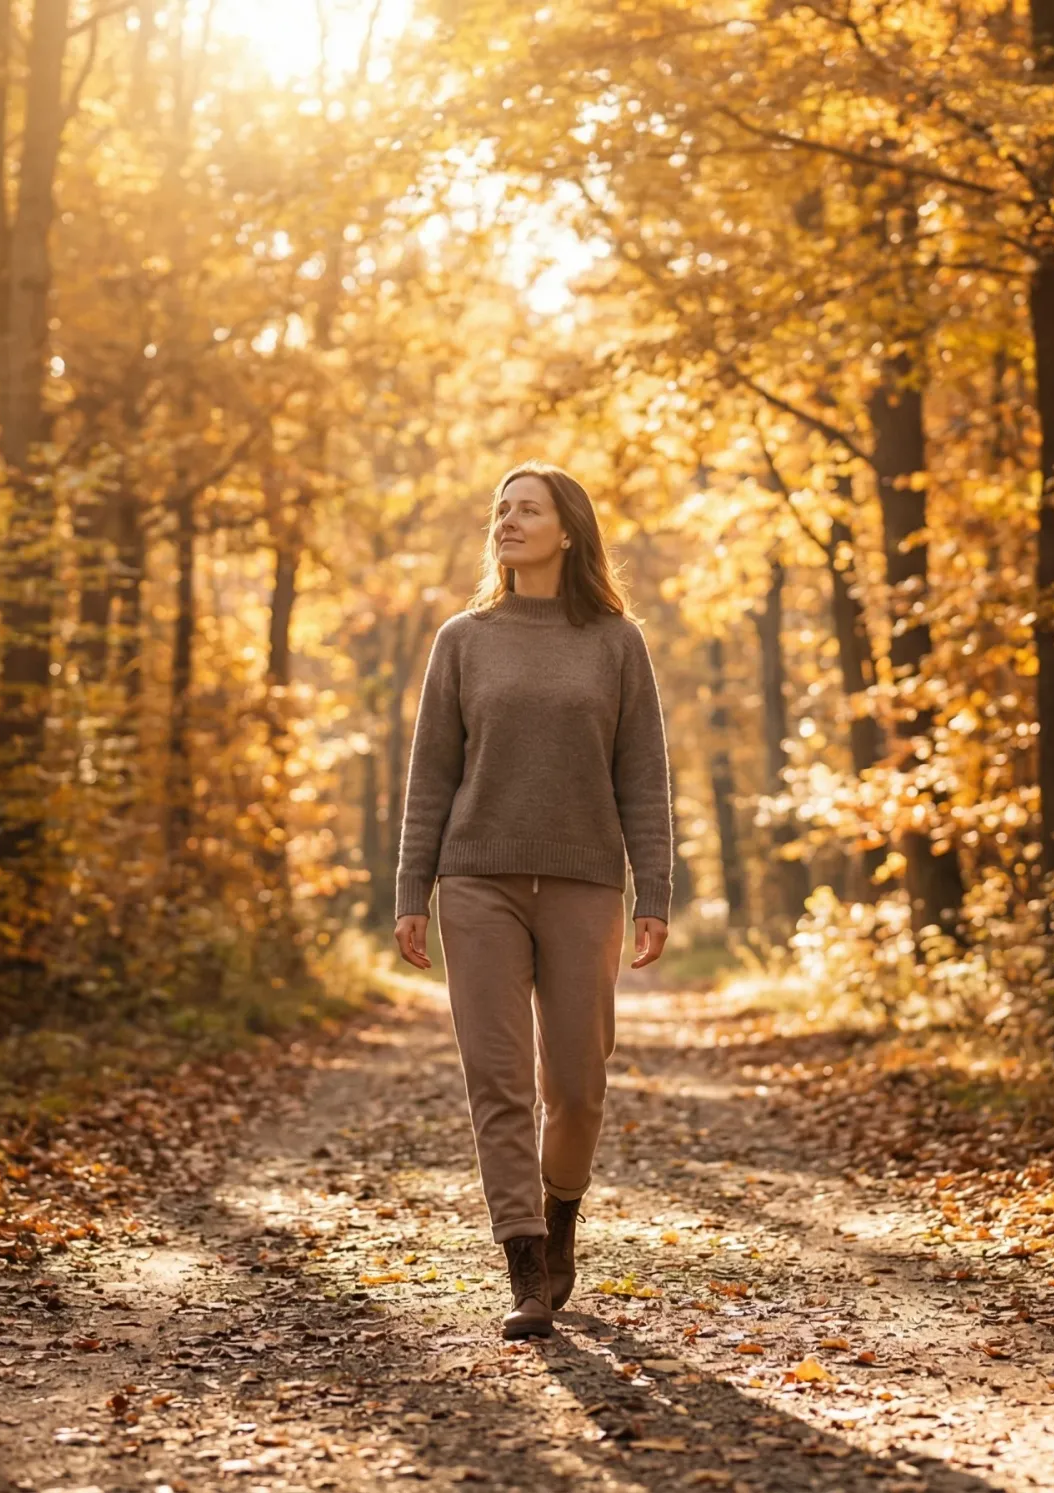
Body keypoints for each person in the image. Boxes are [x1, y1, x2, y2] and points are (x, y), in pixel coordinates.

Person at [393, 460, 673, 1341]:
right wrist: (412, 889)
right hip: (476, 880)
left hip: (587, 881)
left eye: (528, 509)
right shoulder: (462, 639)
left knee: (578, 1087)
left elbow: (644, 777)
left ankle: (560, 1215)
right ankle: (524, 1265)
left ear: (567, 529)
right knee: (499, 1079)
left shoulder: (615, 643)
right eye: (502, 510)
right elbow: (430, 776)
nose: (509, 521)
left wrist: (653, 891)